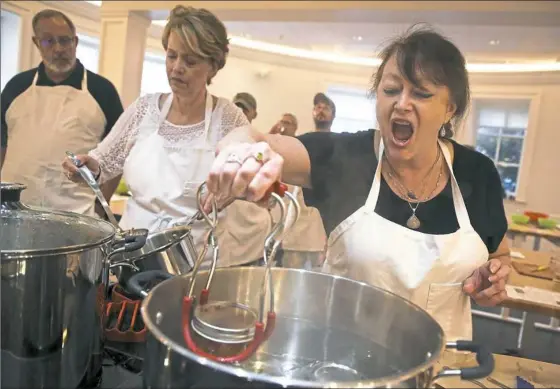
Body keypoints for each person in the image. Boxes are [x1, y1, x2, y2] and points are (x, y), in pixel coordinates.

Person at [204, 26, 512, 341]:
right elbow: (254, 138)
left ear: (450, 108)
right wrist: (238, 151)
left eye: (421, 93)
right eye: (391, 90)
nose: (402, 103)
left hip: (441, 369)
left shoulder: (478, 174)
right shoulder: (344, 157)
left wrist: (493, 277)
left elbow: (498, 255)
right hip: (341, 362)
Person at [62, 5, 270, 267]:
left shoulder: (227, 118)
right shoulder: (144, 110)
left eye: (190, 61)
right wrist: (86, 167)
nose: (177, 68)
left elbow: (254, 165)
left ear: (213, 67)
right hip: (132, 257)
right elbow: (102, 162)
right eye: (172, 56)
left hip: (193, 265)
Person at [1, 9, 123, 216]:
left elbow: (118, 154)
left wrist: (101, 207)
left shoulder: (102, 91)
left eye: (65, 41)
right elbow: (2, 143)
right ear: (36, 42)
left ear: (75, 42)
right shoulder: (16, 86)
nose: (58, 49)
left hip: (76, 214)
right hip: (13, 211)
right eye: (49, 41)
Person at [269, 114, 327, 269]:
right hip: (285, 229)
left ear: (295, 127)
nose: (284, 125)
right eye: (283, 122)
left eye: (289, 123)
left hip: (308, 230)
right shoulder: (271, 151)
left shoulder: (304, 149)